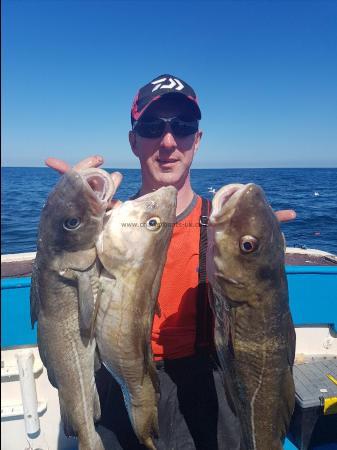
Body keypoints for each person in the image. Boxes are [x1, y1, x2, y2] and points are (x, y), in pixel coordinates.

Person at [46, 74, 296, 450]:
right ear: (133, 140)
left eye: (182, 127)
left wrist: (257, 253)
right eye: (151, 127)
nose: (167, 142)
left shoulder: (225, 225)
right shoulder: (104, 224)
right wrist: (68, 217)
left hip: (208, 382)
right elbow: (59, 298)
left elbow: (262, 325)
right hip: (123, 378)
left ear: (197, 140)